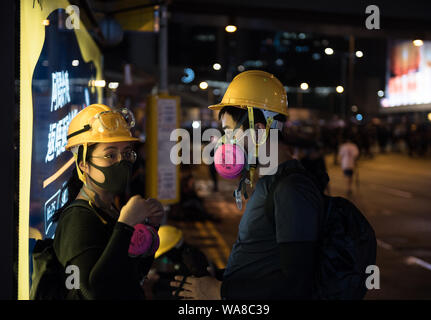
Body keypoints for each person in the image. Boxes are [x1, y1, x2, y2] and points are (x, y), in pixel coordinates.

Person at [170, 70, 324, 299]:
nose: (225, 141)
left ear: (260, 131)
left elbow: (295, 285)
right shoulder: (272, 182)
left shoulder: (291, 190)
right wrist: (217, 277)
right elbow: (263, 266)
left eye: (231, 131)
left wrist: (220, 291)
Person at [52, 104, 164, 299]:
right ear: (84, 164)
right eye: (110, 155)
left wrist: (150, 229)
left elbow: (133, 275)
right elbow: (94, 292)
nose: (121, 162)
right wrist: (126, 225)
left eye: (127, 153)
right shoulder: (77, 220)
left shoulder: (108, 209)